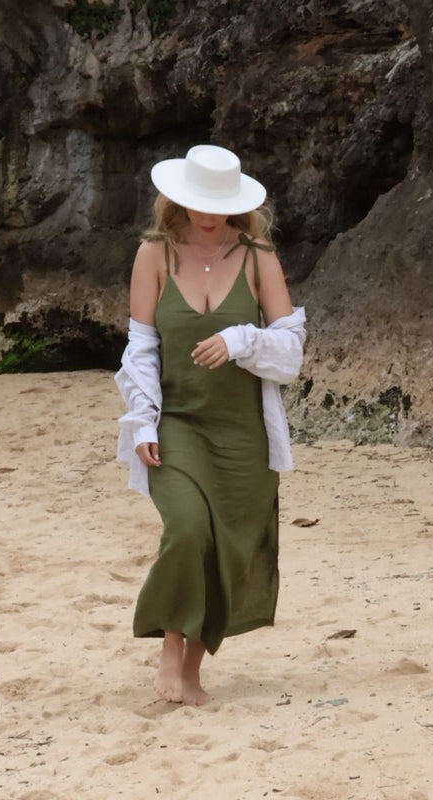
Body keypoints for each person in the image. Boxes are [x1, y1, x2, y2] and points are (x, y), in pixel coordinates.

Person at [115, 144, 306, 706]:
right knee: (187, 529)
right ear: (178, 198)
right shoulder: (154, 254)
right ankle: (170, 646)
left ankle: (192, 671)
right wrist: (142, 424)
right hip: (177, 423)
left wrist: (239, 339)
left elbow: (290, 352)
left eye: (219, 205)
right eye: (199, 202)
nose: (208, 215)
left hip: (244, 435)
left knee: (227, 549)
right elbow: (140, 349)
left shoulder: (257, 256)